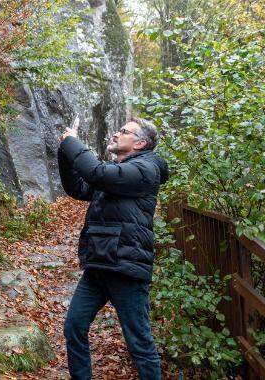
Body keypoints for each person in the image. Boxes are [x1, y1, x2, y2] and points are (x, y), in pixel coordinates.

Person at [57, 117, 169, 380]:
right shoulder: (116, 172)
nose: (116, 134)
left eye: (124, 131)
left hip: (126, 267)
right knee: (74, 327)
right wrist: (65, 151)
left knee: (139, 343)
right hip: (100, 264)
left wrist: (72, 142)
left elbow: (95, 173)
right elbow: (79, 187)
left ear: (140, 143)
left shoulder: (145, 170)